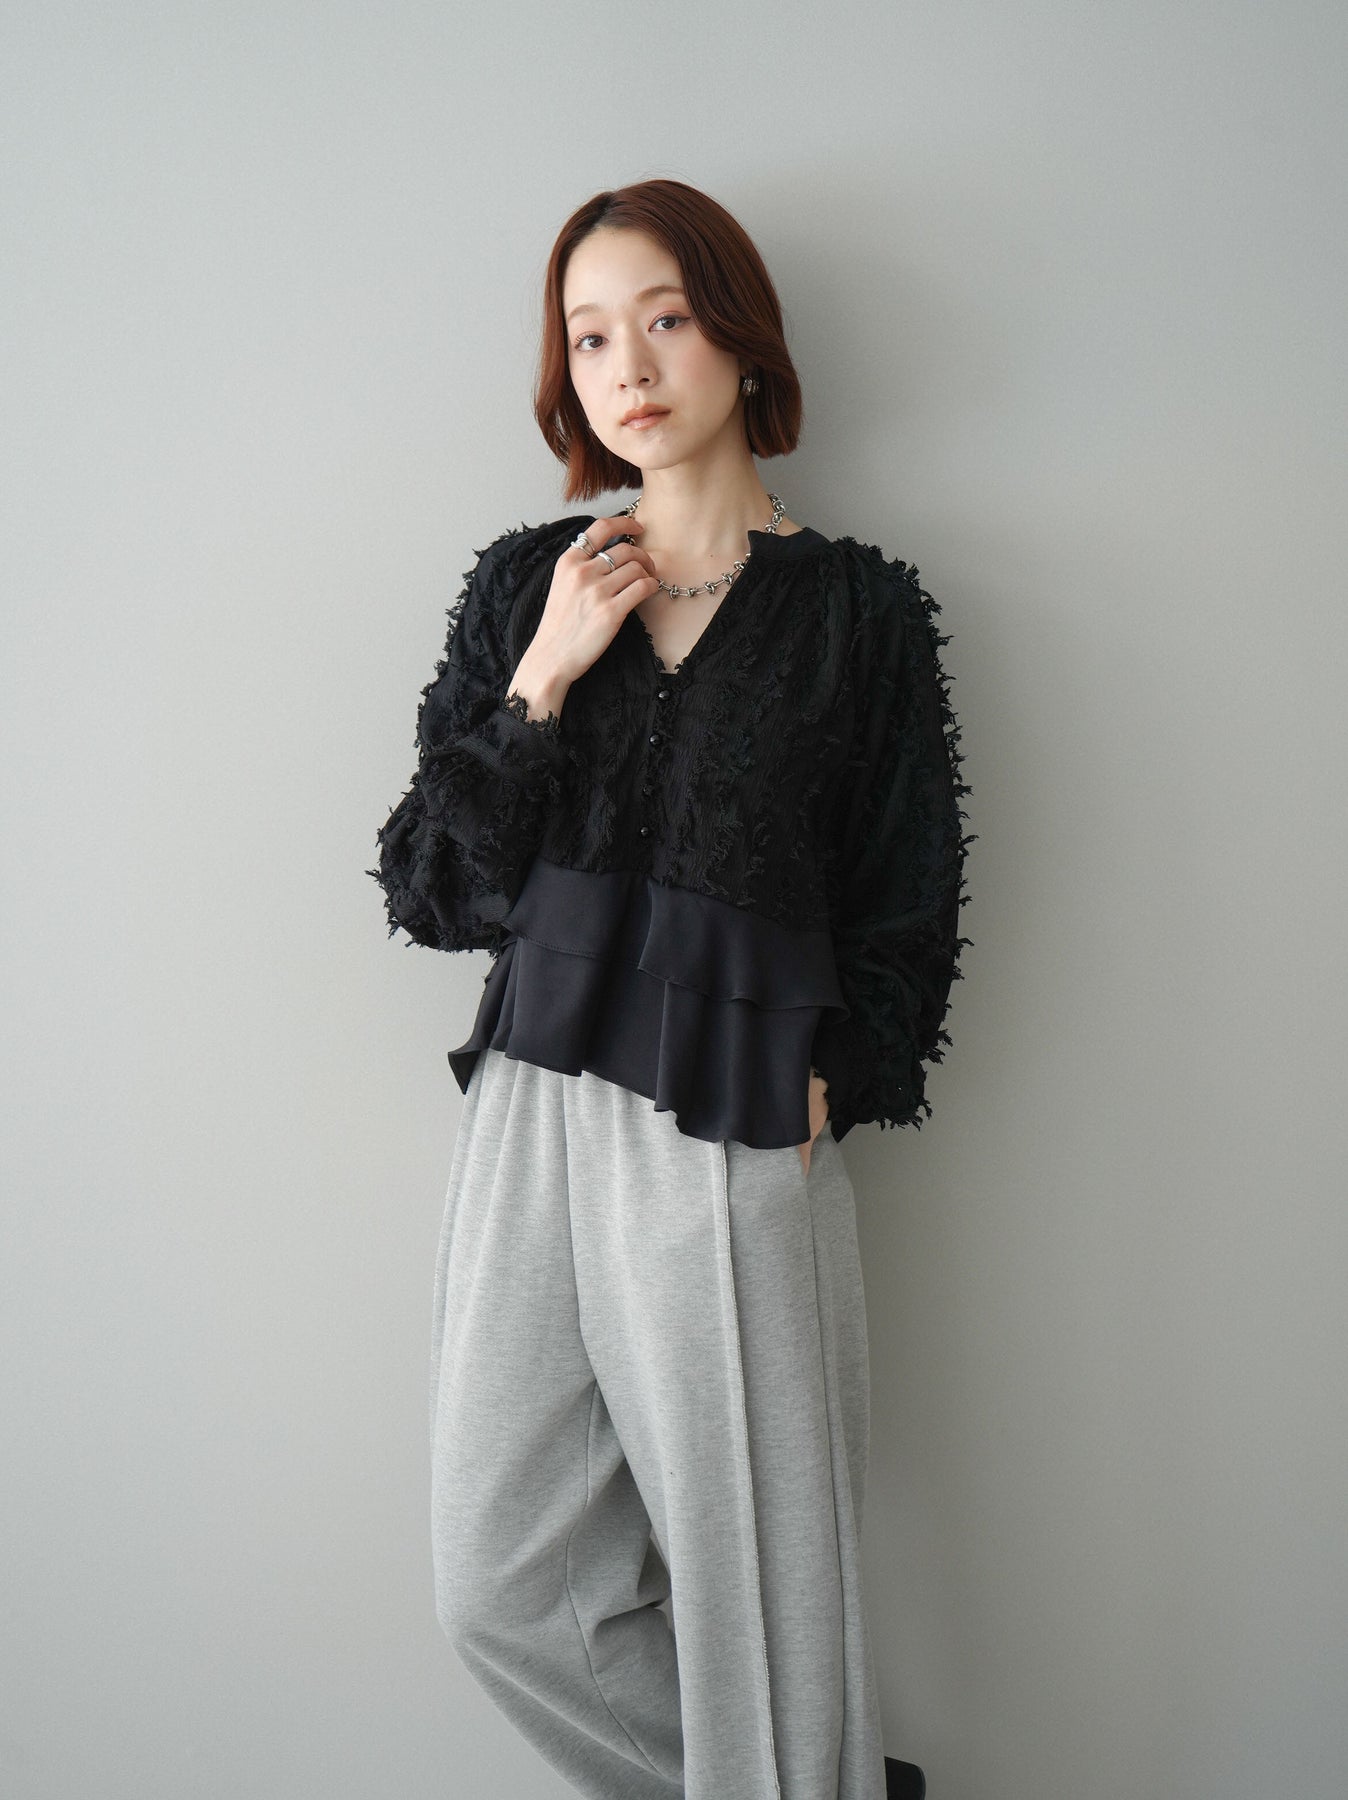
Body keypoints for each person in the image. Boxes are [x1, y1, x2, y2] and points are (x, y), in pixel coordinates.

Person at [368, 178, 971, 1800]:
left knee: (768, 1616)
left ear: (739, 335)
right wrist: (542, 676)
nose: (626, 366)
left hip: (733, 1123)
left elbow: (906, 907)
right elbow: (430, 886)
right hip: (528, 1119)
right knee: (504, 1591)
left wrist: (830, 1086)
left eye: (665, 318)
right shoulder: (525, 584)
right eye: (588, 337)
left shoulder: (857, 614)